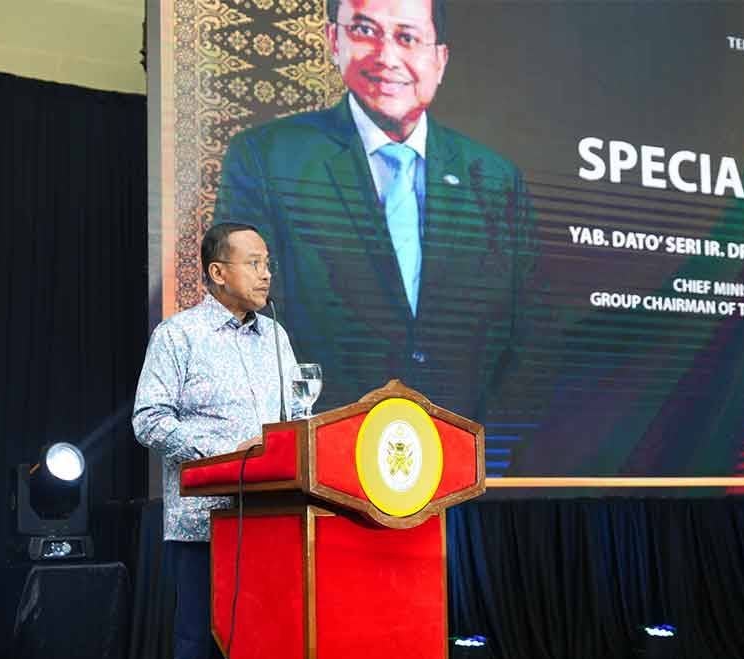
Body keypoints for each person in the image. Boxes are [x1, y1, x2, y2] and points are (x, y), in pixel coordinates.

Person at [213, 0, 537, 419]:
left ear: (440, 58)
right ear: (334, 39)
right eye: (365, 31)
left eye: (407, 37)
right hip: (325, 448)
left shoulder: (496, 179)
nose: (387, 58)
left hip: (462, 455)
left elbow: (528, 335)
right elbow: (243, 310)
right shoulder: (267, 158)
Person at [133, 223, 298, 659]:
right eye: (254, 264)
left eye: (268, 264)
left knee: (262, 648)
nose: (266, 275)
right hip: (203, 526)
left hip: (269, 522)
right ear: (218, 272)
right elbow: (148, 420)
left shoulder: (277, 338)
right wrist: (227, 454)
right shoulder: (178, 335)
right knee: (199, 652)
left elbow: (291, 421)